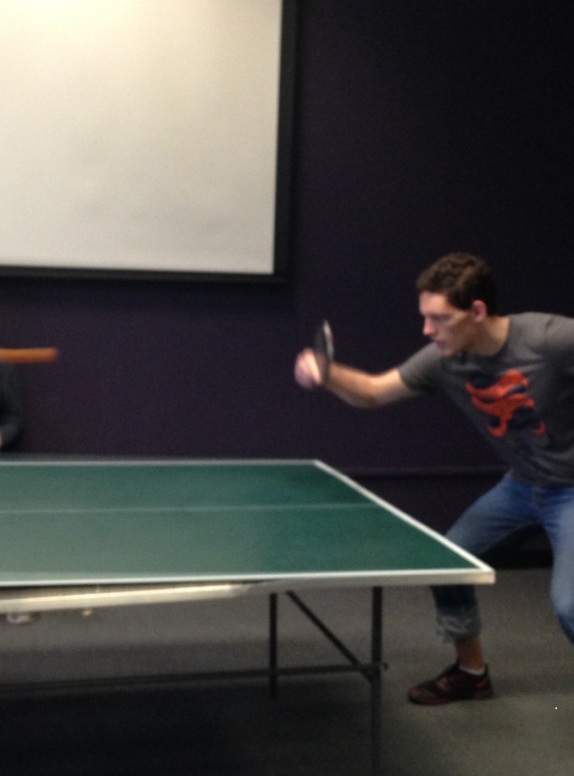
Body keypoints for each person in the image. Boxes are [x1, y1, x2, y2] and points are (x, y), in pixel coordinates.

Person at [294, 251, 574, 705]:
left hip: (571, 491)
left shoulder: (552, 339)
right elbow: (373, 393)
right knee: (448, 563)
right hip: (523, 484)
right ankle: (471, 673)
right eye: (425, 317)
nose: (427, 329)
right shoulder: (446, 359)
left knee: (570, 606)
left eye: (439, 318)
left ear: (477, 311)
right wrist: (327, 373)